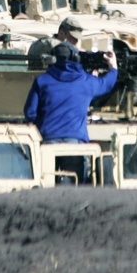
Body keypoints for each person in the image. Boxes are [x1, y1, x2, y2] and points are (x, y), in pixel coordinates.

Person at [23, 40, 118, 183]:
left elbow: (30, 113)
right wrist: (113, 66)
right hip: (75, 145)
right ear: (75, 57)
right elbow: (107, 84)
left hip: (47, 143)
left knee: (47, 185)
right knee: (77, 190)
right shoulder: (86, 82)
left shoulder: (42, 81)